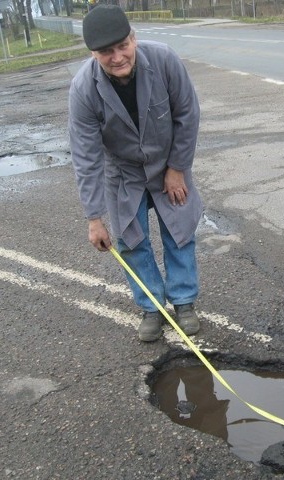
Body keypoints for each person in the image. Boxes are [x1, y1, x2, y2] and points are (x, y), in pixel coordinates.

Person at [69, 5, 203, 342]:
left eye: (122, 46)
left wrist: (176, 169)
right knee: (131, 241)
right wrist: (94, 218)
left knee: (180, 232)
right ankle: (151, 306)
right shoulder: (83, 89)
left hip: (166, 163)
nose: (117, 57)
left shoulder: (164, 61)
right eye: (106, 52)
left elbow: (187, 114)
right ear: (93, 54)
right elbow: (86, 155)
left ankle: (184, 301)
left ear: (134, 38)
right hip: (123, 172)